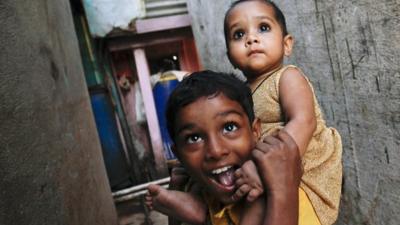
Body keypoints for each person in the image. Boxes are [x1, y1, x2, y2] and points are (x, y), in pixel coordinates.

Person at [223, 1, 342, 224]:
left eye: (264, 28)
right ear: (230, 56)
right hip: (264, 175)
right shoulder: (240, 94)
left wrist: (262, 168)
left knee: (258, 203)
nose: (251, 38)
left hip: (302, 176)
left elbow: (304, 121)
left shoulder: (287, 77)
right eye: (239, 34)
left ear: (286, 44)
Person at [146, 71, 302, 225]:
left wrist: (283, 190)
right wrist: (178, 196)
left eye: (229, 127)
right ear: (179, 156)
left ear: (255, 131)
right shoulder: (202, 192)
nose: (216, 151)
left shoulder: (273, 182)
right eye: (194, 138)